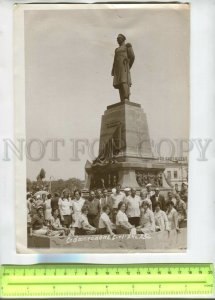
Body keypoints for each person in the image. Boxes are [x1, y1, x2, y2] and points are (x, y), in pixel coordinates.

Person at [111, 34, 135, 102]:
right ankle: (122, 99)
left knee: (124, 81)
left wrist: (128, 65)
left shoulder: (127, 46)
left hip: (124, 67)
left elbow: (132, 56)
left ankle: (126, 97)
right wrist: (113, 69)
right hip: (118, 68)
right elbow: (115, 60)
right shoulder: (117, 49)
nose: (118, 40)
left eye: (119, 38)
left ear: (123, 39)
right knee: (119, 83)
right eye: (117, 39)